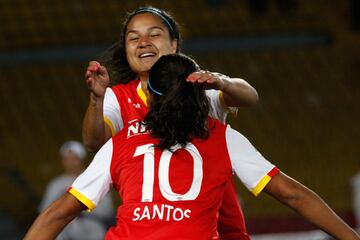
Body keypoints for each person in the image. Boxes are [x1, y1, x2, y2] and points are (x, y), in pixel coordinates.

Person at [25, 54, 359, 240]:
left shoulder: (120, 142)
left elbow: (59, 212)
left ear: (150, 96)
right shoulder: (222, 136)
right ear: (201, 93)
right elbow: (294, 195)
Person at [82, 6, 257, 239]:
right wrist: (97, 99)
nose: (143, 42)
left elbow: (250, 97)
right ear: (126, 50)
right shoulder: (117, 97)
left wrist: (222, 82)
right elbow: (93, 142)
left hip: (219, 225)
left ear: (174, 44)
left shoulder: (197, 87)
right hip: (155, 225)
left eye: (154, 34)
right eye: (133, 38)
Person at [38, 141, 115, 240]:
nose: (70, 162)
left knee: (96, 230)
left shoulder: (93, 178)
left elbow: (107, 211)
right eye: (67, 159)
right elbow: (45, 211)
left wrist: (80, 210)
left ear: (81, 160)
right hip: (64, 226)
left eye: (74, 158)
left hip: (91, 224)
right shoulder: (55, 184)